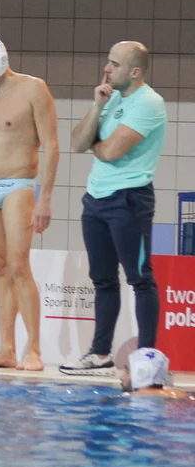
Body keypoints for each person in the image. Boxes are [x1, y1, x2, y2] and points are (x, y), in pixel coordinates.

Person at [61, 41, 166, 375]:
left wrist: (97, 142)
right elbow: (77, 143)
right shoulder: (112, 98)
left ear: (135, 72)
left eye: (115, 64)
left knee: (140, 279)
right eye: (107, 62)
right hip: (95, 200)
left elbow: (110, 153)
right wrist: (96, 107)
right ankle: (101, 353)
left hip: (129, 202)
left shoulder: (149, 103)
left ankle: (146, 358)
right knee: (103, 281)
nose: (106, 69)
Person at [0, 37, 59, 372]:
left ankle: (33, 350)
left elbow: (52, 145)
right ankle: (5, 349)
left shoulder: (34, 89)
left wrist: (45, 197)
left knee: (19, 266)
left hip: (18, 184)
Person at [119, 348, 192, 399]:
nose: (121, 377)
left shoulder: (131, 397)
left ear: (141, 374)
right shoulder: (181, 394)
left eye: (127, 371)